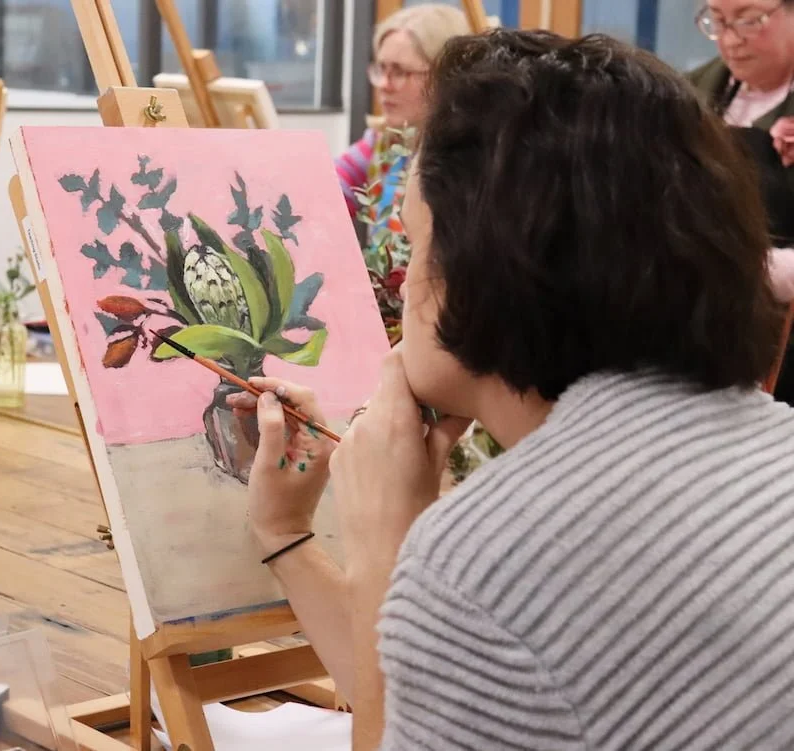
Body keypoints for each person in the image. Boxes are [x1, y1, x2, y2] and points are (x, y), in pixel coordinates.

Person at [229, 29, 794, 750]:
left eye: (416, 243)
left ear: (479, 271)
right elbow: (450, 701)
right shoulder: (768, 440)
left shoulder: (487, 563)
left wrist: (386, 546)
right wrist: (286, 534)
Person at [688, 0, 794, 398]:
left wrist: (772, 271)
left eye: (749, 20)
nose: (731, 40)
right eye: (718, 21)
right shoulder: (690, 90)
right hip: (703, 329)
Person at [334, 3, 470, 260]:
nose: (384, 85)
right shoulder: (381, 142)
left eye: (400, 72)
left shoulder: (470, 161)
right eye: (381, 69)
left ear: (446, 78)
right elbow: (328, 189)